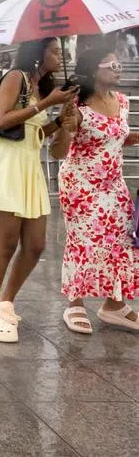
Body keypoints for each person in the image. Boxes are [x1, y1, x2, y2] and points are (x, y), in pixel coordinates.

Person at [0, 37, 78, 343]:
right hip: (6, 165)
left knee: (36, 244)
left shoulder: (42, 85)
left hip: (29, 166)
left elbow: (37, 134)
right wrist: (46, 104)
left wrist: (59, 122)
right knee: (6, 242)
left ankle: (6, 301)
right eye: (55, 51)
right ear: (38, 53)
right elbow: (3, 121)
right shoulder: (16, 77)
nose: (60, 55)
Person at [51, 43, 139, 334]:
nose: (118, 69)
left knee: (121, 239)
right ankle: (74, 303)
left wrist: (134, 138)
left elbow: (116, 137)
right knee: (84, 240)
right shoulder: (78, 108)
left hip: (114, 182)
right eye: (112, 65)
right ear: (93, 71)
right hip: (82, 184)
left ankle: (113, 304)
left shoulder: (122, 101)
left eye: (119, 65)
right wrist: (65, 125)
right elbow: (59, 152)